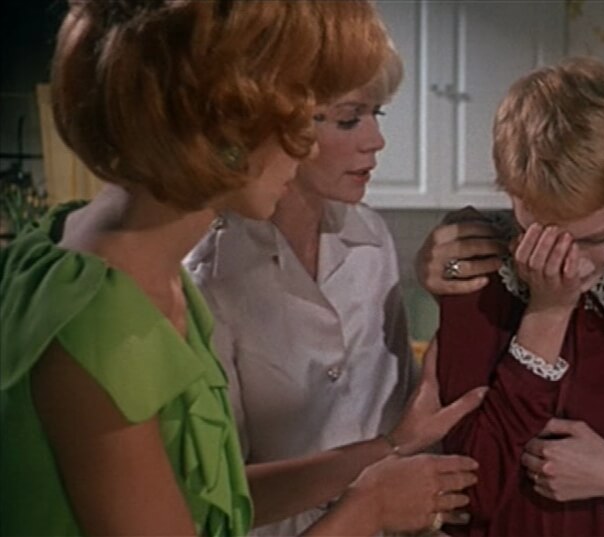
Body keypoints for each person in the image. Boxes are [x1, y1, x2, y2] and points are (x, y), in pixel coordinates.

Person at [0, 2, 479, 535]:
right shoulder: (103, 321)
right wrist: (370, 510)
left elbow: (213, 502)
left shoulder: (123, 262)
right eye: (303, 118)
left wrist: (387, 448)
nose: (306, 147)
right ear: (227, 121)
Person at [185, 40, 487, 536]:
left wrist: (449, 289)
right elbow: (222, 497)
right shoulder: (212, 278)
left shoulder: (372, 238)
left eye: (376, 114)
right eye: (349, 119)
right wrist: (387, 453)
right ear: (280, 126)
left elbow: (398, 397)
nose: (377, 140)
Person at [430, 57, 604, 537]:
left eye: (594, 238)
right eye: (542, 237)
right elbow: (471, 495)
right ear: (511, 196)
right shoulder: (474, 268)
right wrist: (547, 313)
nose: (572, 266)